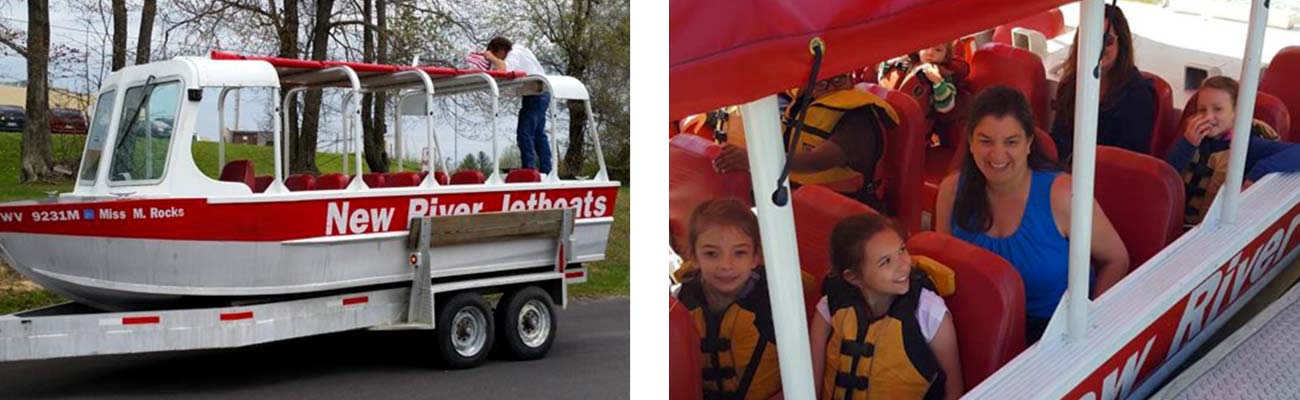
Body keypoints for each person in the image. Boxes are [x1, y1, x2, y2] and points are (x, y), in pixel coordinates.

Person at [936, 86, 1128, 344]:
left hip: (1051, 335)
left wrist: (1087, 328)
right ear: (970, 142)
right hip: (974, 327)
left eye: (1011, 142)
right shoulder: (951, 191)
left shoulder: (1063, 195)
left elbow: (1117, 260)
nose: (997, 154)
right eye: (985, 141)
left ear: (1028, 144)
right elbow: (941, 273)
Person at [810, 214, 963, 400]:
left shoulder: (929, 312)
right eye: (886, 262)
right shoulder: (830, 306)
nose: (904, 265)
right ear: (853, 278)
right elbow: (808, 383)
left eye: (902, 250)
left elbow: (954, 391)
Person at [713, 73, 897, 209]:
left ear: (851, 80)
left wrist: (754, 160)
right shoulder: (802, 103)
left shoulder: (858, 119)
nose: (832, 88)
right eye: (822, 83)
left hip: (845, 211)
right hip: (797, 202)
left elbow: (818, 161)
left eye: (839, 80)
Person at [673, 199, 784, 400]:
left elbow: (802, 370)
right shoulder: (681, 302)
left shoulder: (778, 303)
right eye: (711, 254)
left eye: (739, 253)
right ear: (694, 257)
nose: (726, 265)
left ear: (755, 257)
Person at [1166, 76, 1300, 227]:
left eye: (1218, 109)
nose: (1208, 117)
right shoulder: (1191, 136)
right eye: (1202, 110)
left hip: (1215, 230)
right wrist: (1187, 144)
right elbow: (1167, 177)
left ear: (1237, 112)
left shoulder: (1249, 145)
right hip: (1177, 223)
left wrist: (1257, 173)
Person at [1051, 4, 1156, 160]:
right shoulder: (1070, 85)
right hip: (1066, 175)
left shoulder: (1138, 96)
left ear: (1122, 45)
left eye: (1107, 40)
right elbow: (1058, 141)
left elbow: (1128, 160)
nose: (1097, 46)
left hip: (1111, 178)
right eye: (1090, 37)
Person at [482, 36, 552, 174]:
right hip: (539, 92)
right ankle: (547, 169)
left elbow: (503, 69)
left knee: (524, 133)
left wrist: (492, 58)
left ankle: (529, 169)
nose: (498, 59)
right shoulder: (521, 50)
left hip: (536, 93)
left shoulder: (514, 54)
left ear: (501, 51)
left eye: (497, 55)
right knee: (538, 134)